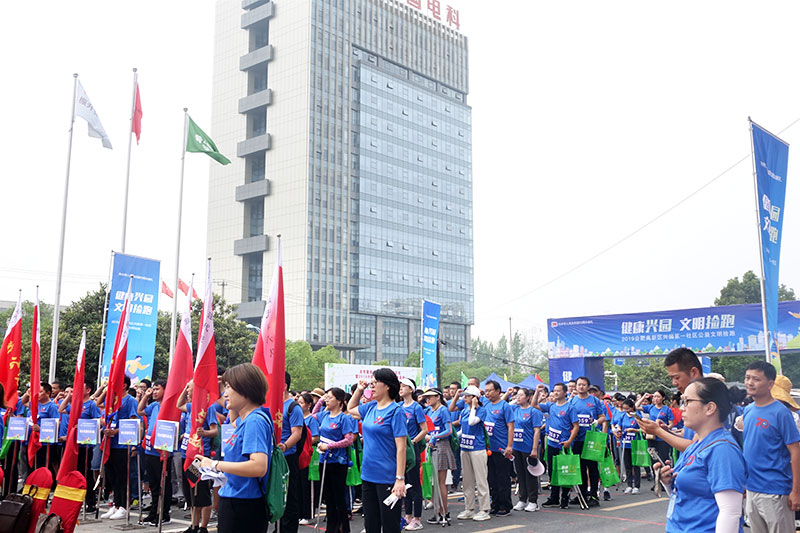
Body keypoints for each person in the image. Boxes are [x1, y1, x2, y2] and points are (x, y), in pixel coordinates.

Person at [660, 378, 745, 532]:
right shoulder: (698, 444)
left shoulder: (722, 449)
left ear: (710, 408)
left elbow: (730, 512)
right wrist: (667, 482)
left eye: (687, 401)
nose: (682, 408)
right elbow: (684, 496)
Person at [197, 363, 272, 533]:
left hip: (244, 505)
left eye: (229, 387)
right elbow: (232, 417)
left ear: (245, 388)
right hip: (236, 500)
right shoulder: (245, 419)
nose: (225, 393)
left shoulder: (255, 421)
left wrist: (214, 465)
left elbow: (258, 466)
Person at [738, 361, 800, 532]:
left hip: (775, 491)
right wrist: (743, 482)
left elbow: (795, 452)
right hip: (752, 488)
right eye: (747, 377)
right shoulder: (748, 410)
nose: (749, 383)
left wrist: (796, 491)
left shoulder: (781, 413)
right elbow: (749, 450)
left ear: (770, 384)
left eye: (756, 379)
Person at [347, 368, 407, 533]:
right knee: (370, 524)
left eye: (375, 383)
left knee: (390, 525)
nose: (371, 387)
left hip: (387, 477)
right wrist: (359, 390)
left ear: (387, 386)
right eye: (371, 384)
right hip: (368, 474)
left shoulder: (396, 411)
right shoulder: (371, 407)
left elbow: (401, 447)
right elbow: (351, 408)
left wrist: (399, 479)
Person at [638, 347, 703, 451]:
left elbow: (695, 447)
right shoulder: (694, 400)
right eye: (671, 378)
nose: (674, 383)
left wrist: (658, 431)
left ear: (693, 373)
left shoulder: (703, 401)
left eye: (677, 377)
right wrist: (666, 431)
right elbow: (686, 435)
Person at [312, 388, 357, 533]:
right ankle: (331, 528)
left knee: (339, 499)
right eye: (326, 397)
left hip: (338, 462)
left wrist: (329, 446)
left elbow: (349, 440)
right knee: (328, 497)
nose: (327, 400)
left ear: (339, 401)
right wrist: (320, 400)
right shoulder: (324, 415)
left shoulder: (344, 418)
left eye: (329, 398)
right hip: (324, 461)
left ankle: (343, 528)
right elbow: (313, 415)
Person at [177, 381, 218, 533]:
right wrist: (185, 387)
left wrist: (204, 433)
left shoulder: (209, 407)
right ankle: (193, 525)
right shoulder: (191, 406)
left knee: (201, 493)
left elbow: (214, 430)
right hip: (186, 453)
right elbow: (178, 405)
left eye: (190, 388)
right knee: (190, 491)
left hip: (200, 457)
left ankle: (203, 527)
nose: (187, 390)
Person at [532, 383, 578, 509]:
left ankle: (565, 497)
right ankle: (554, 497)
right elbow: (534, 405)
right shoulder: (551, 406)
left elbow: (576, 426)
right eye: (554, 391)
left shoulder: (570, 407)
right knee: (553, 471)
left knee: (565, 471)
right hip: (552, 443)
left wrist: (569, 441)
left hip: (564, 445)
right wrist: (537, 391)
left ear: (565, 393)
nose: (556, 393)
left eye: (558, 391)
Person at [102, 376, 139, 520]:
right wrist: (106, 391)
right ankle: (116, 504)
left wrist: (115, 431)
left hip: (122, 444)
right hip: (109, 443)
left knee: (122, 476)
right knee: (112, 476)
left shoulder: (130, 401)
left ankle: (124, 506)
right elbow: (99, 404)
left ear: (123, 385)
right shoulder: (112, 399)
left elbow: (133, 421)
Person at [137, 380, 172, 525]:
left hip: (162, 451)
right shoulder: (154, 405)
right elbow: (140, 411)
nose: (155, 392)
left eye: (157, 389)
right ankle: (154, 512)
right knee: (154, 484)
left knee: (164, 483)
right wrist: (146, 396)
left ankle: (163, 513)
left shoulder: (170, 406)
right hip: (150, 449)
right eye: (154, 389)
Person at [454, 385, 490, 522]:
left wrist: (474, 407)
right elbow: (464, 429)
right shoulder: (463, 411)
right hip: (465, 448)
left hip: (477, 449)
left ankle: (484, 509)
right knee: (467, 481)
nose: (464, 398)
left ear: (475, 398)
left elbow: (472, 422)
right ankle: (469, 508)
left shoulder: (481, 410)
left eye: (467, 396)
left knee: (481, 480)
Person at [568, 376, 606, 507]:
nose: (581, 387)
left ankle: (594, 495)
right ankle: (582, 495)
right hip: (577, 440)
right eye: (579, 385)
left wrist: (596, 422)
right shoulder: (572, 401)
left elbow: (602, 417)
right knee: (581, 469)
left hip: (591, 440)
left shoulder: (594, 401)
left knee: (592, 468)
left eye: (584, 385)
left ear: (588, 387)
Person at [420, 388, 455, 524]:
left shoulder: (443, 410)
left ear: (438, 397)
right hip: (431, 447)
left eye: (430, 397)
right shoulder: (428, 411)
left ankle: (444, 512)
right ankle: (437, 511)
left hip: (442, 446)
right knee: (433, 482)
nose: (427, 399)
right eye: (426, 397)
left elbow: (449, 430)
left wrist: (435, 436)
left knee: (441, 483)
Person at [399, 378, 427, 531]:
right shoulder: (398, 406)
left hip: (411, 449)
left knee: (414, 483)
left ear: (411, 390)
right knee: (404, 484)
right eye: (400, 386)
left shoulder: (416, 408)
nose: (401, 389)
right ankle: (408, 515)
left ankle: (417, 518)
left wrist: (413, 442)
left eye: (404, 386)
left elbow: (424, 430)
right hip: (400, 449)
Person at [483, 380, 514, 516]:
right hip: (489, 448)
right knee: (491, 478)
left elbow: (510, 427)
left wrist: (509, 446)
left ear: (498, 391)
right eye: (486, 390)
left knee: (502, 478)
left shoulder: (505, 406)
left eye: (490, 390)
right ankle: (494, 504)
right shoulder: (486, 405)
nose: (487, 393)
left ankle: (505, 505)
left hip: (502, 448)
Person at [511, 388, 542, 512]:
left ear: (528, 397)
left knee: (530, 474)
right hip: (516, 447)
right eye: (516, 395)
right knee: (520, 474)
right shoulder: (515, 410)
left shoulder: (533, 412)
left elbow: (537, 431)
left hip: (528, 447)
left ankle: (533, 501)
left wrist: (534, 449)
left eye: (520, 395)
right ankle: (522, 499)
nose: (517, 398)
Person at [298, 392, 320, 525]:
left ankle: (308, 513)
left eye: (301, 403)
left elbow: (315, 437)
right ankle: (300, 512)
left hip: (309, 455)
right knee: (299, 485)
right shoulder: (298, 418)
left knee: (308, 486)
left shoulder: (312, 420)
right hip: (299, 455)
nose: (299, 405)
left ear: (309, 405)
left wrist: (302, 444)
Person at [612, 398, 641, 494]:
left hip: (635, 443)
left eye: (627, 408)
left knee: (635, 465)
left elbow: (643, 429)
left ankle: (637, 485)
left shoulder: (637, 416)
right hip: (625, 443)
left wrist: (633, 430)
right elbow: (619, 426)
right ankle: (629, 485)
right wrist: (619, 430)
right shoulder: (623, 416)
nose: (626, 410)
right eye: (624, 409)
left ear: (632, 407)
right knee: (627, 464)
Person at [636, 389, 673, 463]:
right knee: (653, 458)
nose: (656, 398)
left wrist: (665, 427)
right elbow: (636, 406)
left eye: (658, 396)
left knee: (664, 458)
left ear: (663, 398)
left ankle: (665, 473)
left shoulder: (667, 409)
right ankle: (655, 474)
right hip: (651, 436)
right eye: (654, 396)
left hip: (663, 437)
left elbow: (671, 424)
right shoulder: (650, 407)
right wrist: (643, 397)